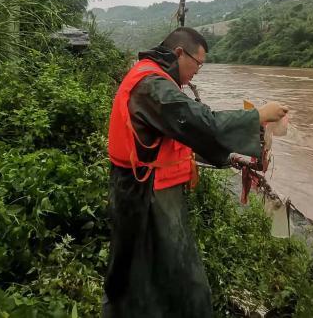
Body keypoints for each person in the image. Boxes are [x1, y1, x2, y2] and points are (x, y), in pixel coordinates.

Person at [102, 27, 288, 318]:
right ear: (179, 53)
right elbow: (202, 123)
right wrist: (258, 116)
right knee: (171, 278)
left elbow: (182, 136)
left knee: (140, 269)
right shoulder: (152, 85)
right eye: (198, 63)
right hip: (145, 196)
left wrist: (231, 158)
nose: (199, 71)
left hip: (149, 191)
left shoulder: (155, 78)